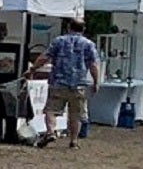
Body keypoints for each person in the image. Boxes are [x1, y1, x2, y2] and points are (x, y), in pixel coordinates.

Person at [41, 18, 102, 150]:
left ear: (69, 27)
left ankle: (50, 132)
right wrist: (96, 81)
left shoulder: (58, 41)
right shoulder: (88, 44)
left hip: (58, 82)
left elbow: (45, 57)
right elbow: (93, 65)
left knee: (51, 110)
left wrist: (33, 69)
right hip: (79, 84)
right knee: (75, 115)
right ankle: (74, 141)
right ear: (83, 29)